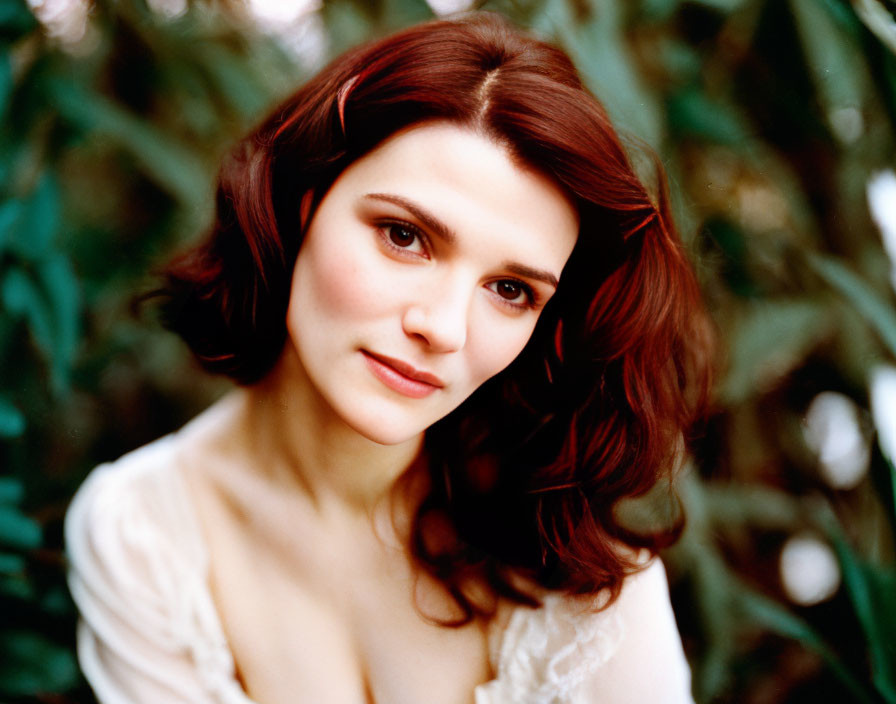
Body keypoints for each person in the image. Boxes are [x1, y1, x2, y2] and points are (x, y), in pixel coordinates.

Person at [65, 11, 713, 704]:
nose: (443, 329)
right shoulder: (142, 539)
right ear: (302, 201)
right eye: (404, 236)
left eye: (510, 290)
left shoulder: (578, 562)